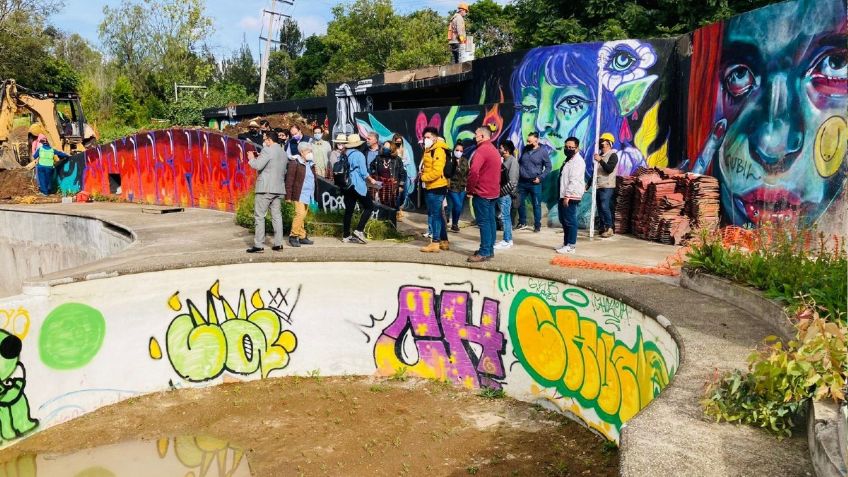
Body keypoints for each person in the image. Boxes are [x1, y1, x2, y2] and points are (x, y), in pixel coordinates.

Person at [246, 131, 287, 253]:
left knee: (259, 216)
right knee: (277, 216)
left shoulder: (267, 150)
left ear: (269, 140)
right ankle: (278, 244)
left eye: (265, 139)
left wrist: (251, 158)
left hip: (265, 188)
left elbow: (257, 166)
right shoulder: (283, 152)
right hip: (278, 188)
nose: (264, 142)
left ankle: (259, 245)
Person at [466, 127, 500, 262]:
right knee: (491, 221)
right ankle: (489, 249)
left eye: (475, 134)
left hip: (482, 192)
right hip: (493, 192)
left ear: (481, 136)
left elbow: (474, 171)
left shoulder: (481, 150)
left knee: (484, 222)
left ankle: (484, 251)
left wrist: (470, 189)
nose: (474, 137)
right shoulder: (493, 149)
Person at [340, 134, 377, 244]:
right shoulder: (359, 155)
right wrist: (372, 180)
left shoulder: (344, 154)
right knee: (369, 206)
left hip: (346, 185)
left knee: (349, 211)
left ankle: (346, 235)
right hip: (357, 185)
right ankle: (359, 230)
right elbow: (364, 173)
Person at [419, 127, 450, 253]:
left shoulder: (438, 150)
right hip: (432, 185)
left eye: (428, 137)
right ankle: (444, 241)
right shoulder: (429, 149)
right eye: (425, 137)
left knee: (435, 215)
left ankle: (435, 243)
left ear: (435, 137)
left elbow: (437, 171)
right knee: (438, 214)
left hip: (436, 186)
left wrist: (424, 178)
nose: (426, 139)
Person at [516, 132, 552, 233]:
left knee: (536, 205)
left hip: (535, 183)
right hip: (522, 182)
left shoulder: (542, 152)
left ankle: (537, 225)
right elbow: (520, 163)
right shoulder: (525, 149)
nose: (527, 143)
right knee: (519, 202)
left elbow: (549, 167)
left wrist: (540, 178)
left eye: (529, 141)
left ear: (536, 141)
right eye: (527, 141)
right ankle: (522, 222)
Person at [285, 141, 318, 247]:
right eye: (309, 151)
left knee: (302, 216)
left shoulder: (310, 164)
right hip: (299, 193)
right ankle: (293, 236)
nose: (310, 153)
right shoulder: (295, 163)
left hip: (308, 194)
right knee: (299, 215)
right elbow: (289, 180)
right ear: (302, 152)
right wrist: (288, 196)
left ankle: (302, 236)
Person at [557, 137, 586, 254]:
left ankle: (571, 245)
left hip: (571, 196)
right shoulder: (569, 159)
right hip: (564, 194)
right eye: (566, 147)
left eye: (571, 147)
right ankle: (566, 243)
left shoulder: (578, 162)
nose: (568, 149)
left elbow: (574, 180)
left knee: (570, 220)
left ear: (577, 148)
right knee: (564, 220)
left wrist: (567, 195)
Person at [495, 140, 519, 250]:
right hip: (501, 194)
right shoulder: (503, 160)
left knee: (505, 217)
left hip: (505, 195)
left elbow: (513, 182)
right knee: (503, 217)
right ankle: (507, 239)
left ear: (506, 150)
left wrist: (502, 193)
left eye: (501, 148)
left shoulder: (512, 161)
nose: (499, 149)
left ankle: (507, 240)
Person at [370, 141, 407, 212]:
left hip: (393, 187)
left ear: (392, 148)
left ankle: (391, 222)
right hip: (380, 186)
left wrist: (401, 186)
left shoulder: (397, 159)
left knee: (392, 207)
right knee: (381, 207)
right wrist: (374, 176)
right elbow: (371, 167)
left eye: (387, 147)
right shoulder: (378, 158)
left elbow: (402, 173)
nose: (385, 149)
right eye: (384, 147)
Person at [594, 132, 619, 238]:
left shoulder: (612, 155)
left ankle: (609, 228)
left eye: (602, 141)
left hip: (607, 186)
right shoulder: (600, 156)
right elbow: (596, 171)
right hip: (598, 185)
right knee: (599, 207)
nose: (600, 144)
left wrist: (601, 161)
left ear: (608, 143)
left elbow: (609, 169)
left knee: (605, 207)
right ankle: (603, 227)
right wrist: (589, 183)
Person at [447, 142, 469, 232]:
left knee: (458, 207)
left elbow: (467, 173)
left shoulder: (464, 160)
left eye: (461, 150)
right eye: (457, 150)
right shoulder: (450, 160)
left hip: (462, 187)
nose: (459, 152)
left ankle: (454, 224)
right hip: (452, 186)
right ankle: (451, 221)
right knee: (458, 205)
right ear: (454, 150)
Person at [392, 133, 416, 213]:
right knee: (396, 192)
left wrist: (401, 161)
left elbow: (408, 161)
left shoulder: (404, 150)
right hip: (395, 173)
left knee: (404, 191)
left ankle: (401, 206)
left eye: (400, 141)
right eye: (397, 141)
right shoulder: (392, 150)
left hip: (403, 173)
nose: (398, 143)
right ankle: (397, 209)